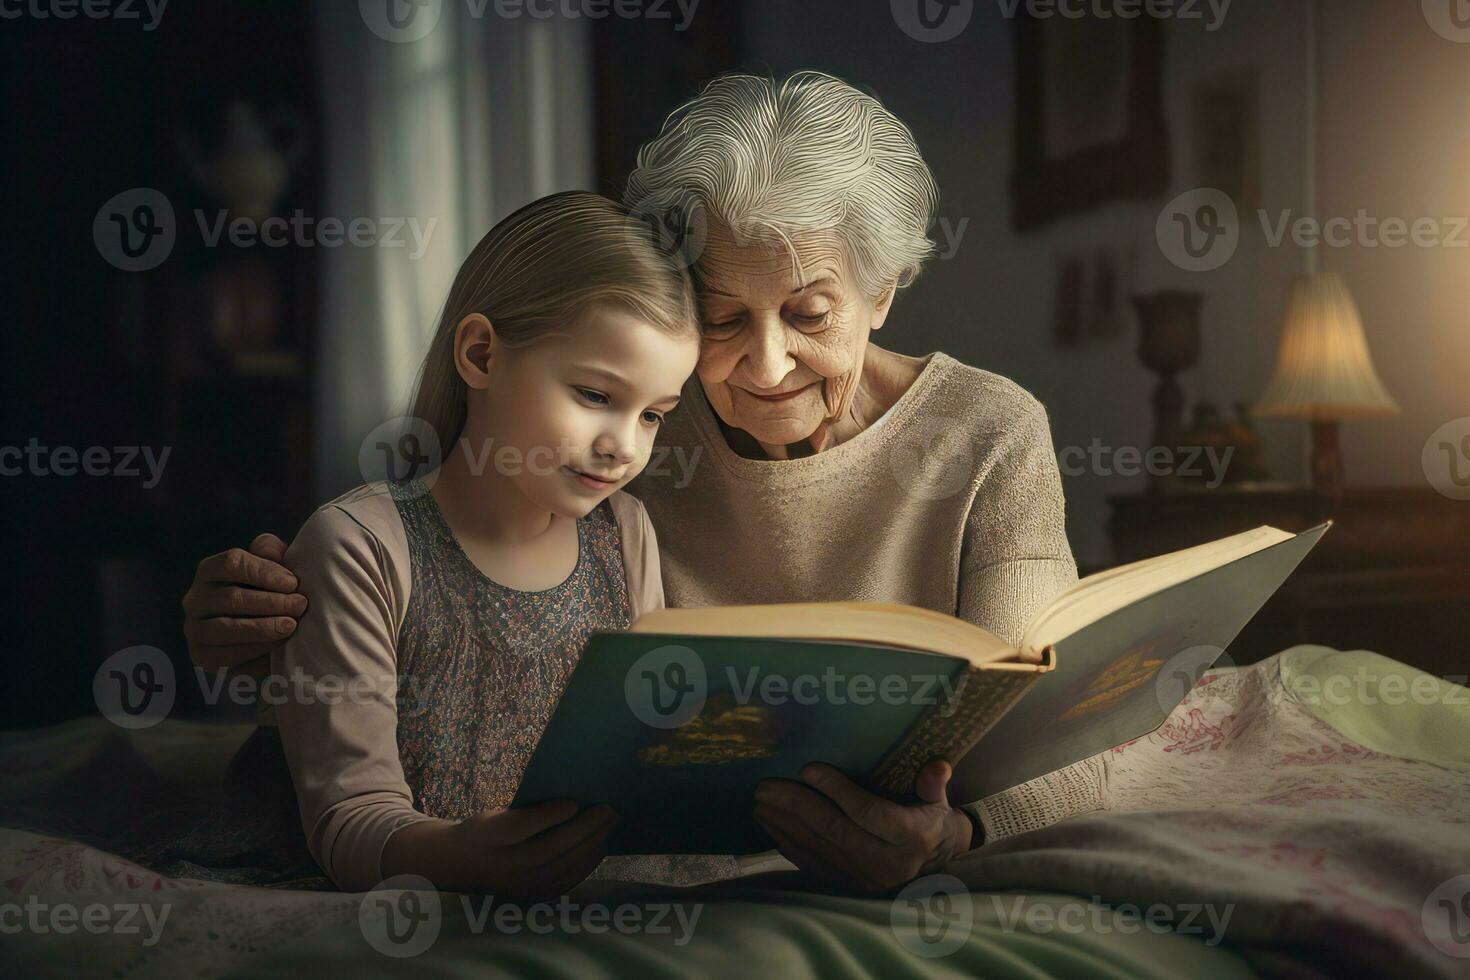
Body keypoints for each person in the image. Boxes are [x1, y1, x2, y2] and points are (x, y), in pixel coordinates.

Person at [183, 71, 1079, 894]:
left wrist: (953, 835)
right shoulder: (629, 420)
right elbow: (444, 604)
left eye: (809, 313)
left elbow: (1056, 736)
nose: (765, 365)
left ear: (882, 293)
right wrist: (264, 630)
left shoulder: (989, 433)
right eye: (723, 316)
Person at [252, 191, 704, 898]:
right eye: (594, 395)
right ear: (481, 353)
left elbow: (643, 756)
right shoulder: (361, 547)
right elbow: (347, 822)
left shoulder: (628, 536)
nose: (624, 447)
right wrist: (464, 857)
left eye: (652, 415)